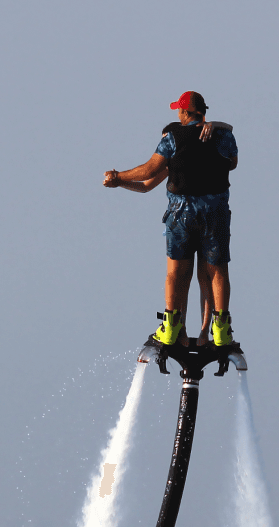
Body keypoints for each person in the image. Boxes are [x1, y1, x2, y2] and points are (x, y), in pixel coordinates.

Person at [103, 91, 238, 347]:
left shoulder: (172, 140)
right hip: (215, 212)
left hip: (182, 213)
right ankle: (220, 331)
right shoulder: (223, 136)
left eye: (179, 110)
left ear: (184, 113)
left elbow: (148, 171)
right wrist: (213, 130)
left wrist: (119, 176)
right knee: (217, 270)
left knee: (176, 273)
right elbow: (232, 163)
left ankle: (172, 327)